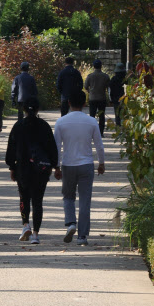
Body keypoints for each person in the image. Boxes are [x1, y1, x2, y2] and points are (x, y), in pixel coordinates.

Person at [53, 89, 105, 245]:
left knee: (68, 196)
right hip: (86, 165)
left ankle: (71, 223)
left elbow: (56, 146)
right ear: (84, 103)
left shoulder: (61, 122)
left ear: (68, 103)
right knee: (85, 200)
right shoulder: (91, 121)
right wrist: (101, 163)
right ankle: (82, 236)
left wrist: (56, 166)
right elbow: (99, 145)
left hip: (68, 164)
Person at [5, 96, 57, 245]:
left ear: (23, 110)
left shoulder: (18, 126)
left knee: (24, 198)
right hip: (41, 168)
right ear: (38, 109)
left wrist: (12, 166)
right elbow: (52, 148)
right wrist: (54, 166)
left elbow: (11, 148)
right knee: (38, 201)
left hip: (23, 168)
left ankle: (25, 224)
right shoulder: (44, 126)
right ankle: (35, 234)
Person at [84, 58, 110, 135]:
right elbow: (108, 86)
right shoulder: (105, 76)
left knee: (92, 116)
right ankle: (101, 132)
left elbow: (85, 86)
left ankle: (92, 133)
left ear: (93, 66)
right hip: (102, 98)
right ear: (101, 66)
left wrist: (90, 91)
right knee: (102, 116)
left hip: (92, 98)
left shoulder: (90, 76)